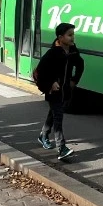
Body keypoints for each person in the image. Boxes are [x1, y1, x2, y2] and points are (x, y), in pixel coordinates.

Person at [33, 22, 79, 161]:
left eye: (73, 34)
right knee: (58, 119)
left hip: (65, 91)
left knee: (53, 115)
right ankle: (62, 148)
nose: (72, 38)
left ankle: (43, 135)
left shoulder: (72, 50)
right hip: (54, 92)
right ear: (60, 37)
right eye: (69, 35)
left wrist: (74, 80)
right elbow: (39, 73)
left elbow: (80, 64)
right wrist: (50, 84)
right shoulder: (52, 53)